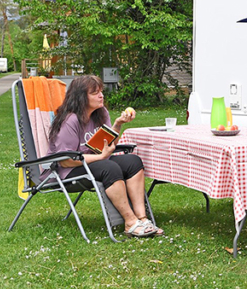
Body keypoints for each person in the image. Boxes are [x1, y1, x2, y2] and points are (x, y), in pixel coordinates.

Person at [47, 75, 162, 238]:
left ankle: (142, 219)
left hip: (93, 162)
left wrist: (118, 124)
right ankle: (130, 222)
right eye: (95, 93)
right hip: (69, 171)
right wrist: (101, 157)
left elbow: (108, 142)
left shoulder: (100, 113)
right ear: (81, 97)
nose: (101, 95)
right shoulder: (70, 121)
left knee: (133, 161)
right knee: (109, 167)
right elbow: (65, 161)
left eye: (101, 91)